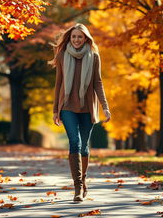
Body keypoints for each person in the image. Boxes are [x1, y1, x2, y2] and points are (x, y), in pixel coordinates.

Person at [51, 23, 111, 202]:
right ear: (70, 38)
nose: (76, 40)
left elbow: (98, 83)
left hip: (87, 107)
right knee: (74, 142)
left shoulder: (94, 57)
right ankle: (77, 187)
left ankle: (83, 180)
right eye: (74, 36)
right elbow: (58, 83)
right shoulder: (62, 54)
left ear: (86, 38)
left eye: (80, 37)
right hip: (67, 106)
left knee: (84, 146)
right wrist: (55, 110)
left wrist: (105, 106)